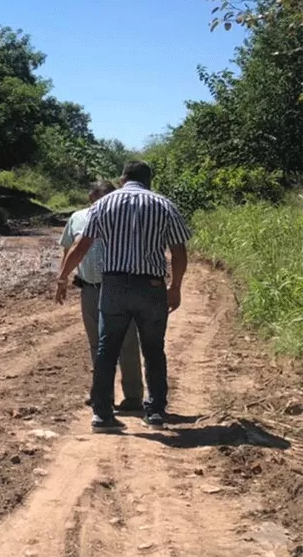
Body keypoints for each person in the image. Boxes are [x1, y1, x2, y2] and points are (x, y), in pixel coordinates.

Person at [55, 160, 191, 433]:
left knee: (106, 350)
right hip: (150, 287)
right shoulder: (164, 205)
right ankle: (154, 413)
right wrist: (175, 287)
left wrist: (63, 277)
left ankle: (102, 416)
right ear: (148, 180)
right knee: (153, 350)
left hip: (114, 285)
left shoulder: (103, 205)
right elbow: (179, 252)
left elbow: (80, 246)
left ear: (122, 178)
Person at [59, 179, 144, 412]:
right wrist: (62, 278)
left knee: (127, 341)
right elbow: (69, 249)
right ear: (91, 199)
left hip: (119, 286)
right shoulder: (77, 217)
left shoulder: (126, 217)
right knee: (96, 343)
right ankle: (101, 393)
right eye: (98, 199)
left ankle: (134, 396)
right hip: (89, 288)